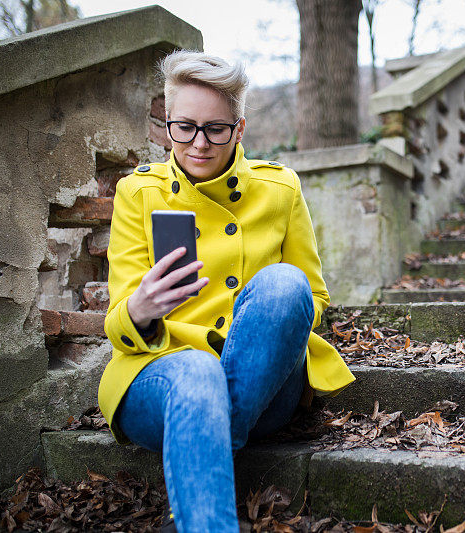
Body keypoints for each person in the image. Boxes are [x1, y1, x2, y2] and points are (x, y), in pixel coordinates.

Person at [96, 50, 355, 532]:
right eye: (184, 127)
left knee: (285, 283)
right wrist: (141, 308)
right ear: (166, 125)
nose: (198, 143)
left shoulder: (279, 189)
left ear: (238, 129)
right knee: (196, 371)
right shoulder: (139, 193)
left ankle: (207, 439)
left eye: (215, 128)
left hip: (262, 385)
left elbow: (311, 300)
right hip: (162, 379)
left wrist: (252, 337)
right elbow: (116, 324)